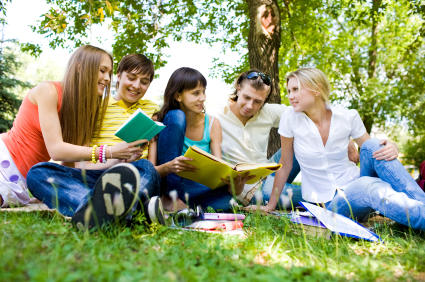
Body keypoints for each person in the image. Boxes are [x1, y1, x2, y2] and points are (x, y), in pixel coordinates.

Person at [252, 67, 425, 230]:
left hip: (355, 181)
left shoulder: (347, 116)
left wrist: (393, 146)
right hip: (333, 204)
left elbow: (371, 150)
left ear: (317, 89)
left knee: (372, 145)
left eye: (296, 89)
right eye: (289, 91)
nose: (290, 96)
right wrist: (270, 206)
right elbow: (286, 163)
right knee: (368, 185)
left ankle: (421, 204)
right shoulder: (290, 118)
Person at [25, 46, 165, 230]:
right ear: (120, 75)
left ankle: (101, 210)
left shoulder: (151, 110)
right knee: (38, 173)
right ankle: (122, 213)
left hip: (133, 176)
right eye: (131, 78)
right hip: (95, 175)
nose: (136, 85)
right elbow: (80, 165)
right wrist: (114, 156)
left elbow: (151, 167)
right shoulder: (93, 106)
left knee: (146, 167)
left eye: (144, 82)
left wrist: (127, 160)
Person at [216, 69, 359, 208]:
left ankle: (344, 181)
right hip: (249, 185)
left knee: (304, 136)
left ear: (265, 100)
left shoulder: (269, 111)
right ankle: (357, 195)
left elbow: (313, 110)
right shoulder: (216, 117)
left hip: (269, 170)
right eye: (246, 97)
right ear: (238, 88)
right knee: (322, 198)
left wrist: (348, 141)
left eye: (257, 101)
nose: (250, 106)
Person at [157, 67, 253, 211]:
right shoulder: (166, 120)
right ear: (178, 96)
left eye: (203, 91)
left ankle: (185, 205)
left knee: (226, 204)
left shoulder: (212, 124)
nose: (202, 97)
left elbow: (218, 168)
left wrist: (235, 188)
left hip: (196, 186)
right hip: (170, 181)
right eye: (196, 93)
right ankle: (170, 198)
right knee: (177, 115)